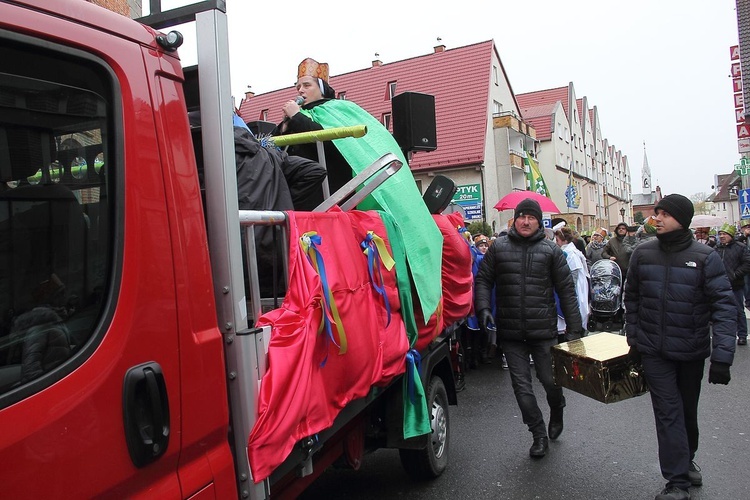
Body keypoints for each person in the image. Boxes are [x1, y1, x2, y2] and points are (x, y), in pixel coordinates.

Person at [276, 57, 443, 323]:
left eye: (306, 84)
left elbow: (333, 145)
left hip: (332, 193)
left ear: (321, 86)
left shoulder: (338, 110)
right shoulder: (298, 118)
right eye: (297, 86)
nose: (300, 90)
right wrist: (287, 123)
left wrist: (297, 119)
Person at [625, 194, 736, 500]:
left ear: (681, 219)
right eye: (655, 213)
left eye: (663, 214)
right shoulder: (643, 253)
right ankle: (677, 482)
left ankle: (686, 460)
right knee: (668, 412)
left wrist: (722, 357)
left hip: (690, 350)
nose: (656, 218)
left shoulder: (705, 257)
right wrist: (633, 336)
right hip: (653, 351)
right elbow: (631, 297)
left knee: (687, 411)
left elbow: (724, 308)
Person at [475, 198, 583, 459]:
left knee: (549, 381)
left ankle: (557, 408)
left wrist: (575, 330)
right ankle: (538, 433)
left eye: (531, 217)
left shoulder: (551, 251)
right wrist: (483, 309)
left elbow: (566, 291)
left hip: (543, 331)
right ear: (515, 219)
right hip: (510, 333)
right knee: (522, 389)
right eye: (521, 216)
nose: (525, 221)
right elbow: (483, 281)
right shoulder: (498, 247)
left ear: (538, 221)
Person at [714, 223, 750, 346]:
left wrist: (735, 275)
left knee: (738, 311)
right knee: (721, 311)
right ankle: (724, 335)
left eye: (724, 234)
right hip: (720, 285)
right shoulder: (717, 248)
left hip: (736, 285)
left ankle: (742, 335)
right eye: (720, 234)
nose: (722, 236)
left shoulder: (740, 247)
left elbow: (747, 264)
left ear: (731, 235)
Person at [554, 226, 590, 333]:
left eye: (557, 240)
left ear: (564, 240)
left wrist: (570, 292)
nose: (556, 243)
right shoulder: (569, 251)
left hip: (574, 288)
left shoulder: (571, 254)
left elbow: (573, 274)